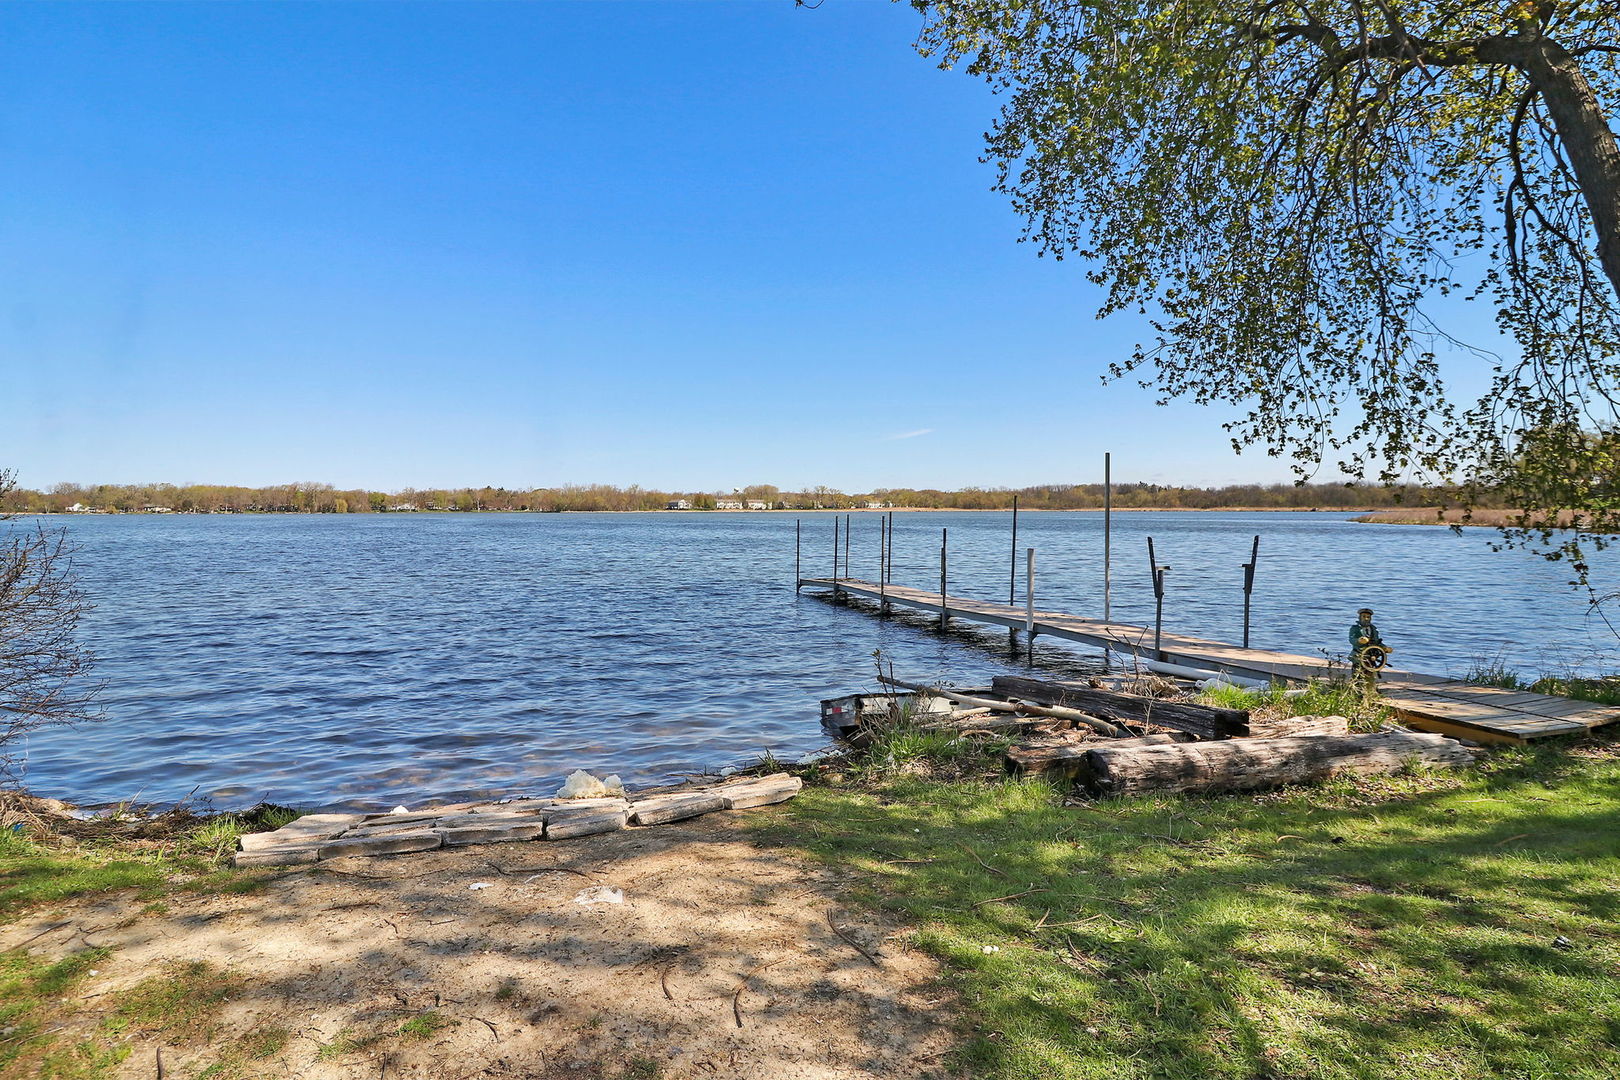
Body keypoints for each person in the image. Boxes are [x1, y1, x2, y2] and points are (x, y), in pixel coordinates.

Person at [1349, 608, 1389, 681]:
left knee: (1370, 674)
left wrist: (1385, 648)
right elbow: (1352, 639)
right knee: (1357, 674)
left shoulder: (1373, 629)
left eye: (1368, 617)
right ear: (1359, 617)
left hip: (1371, 656)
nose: (1366, 619)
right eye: (1364, 616)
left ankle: (1370, 689)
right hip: (1358, 655)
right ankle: (1356, 688)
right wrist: (1359, 640)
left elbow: (1377, 643)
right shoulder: (1355, 628)